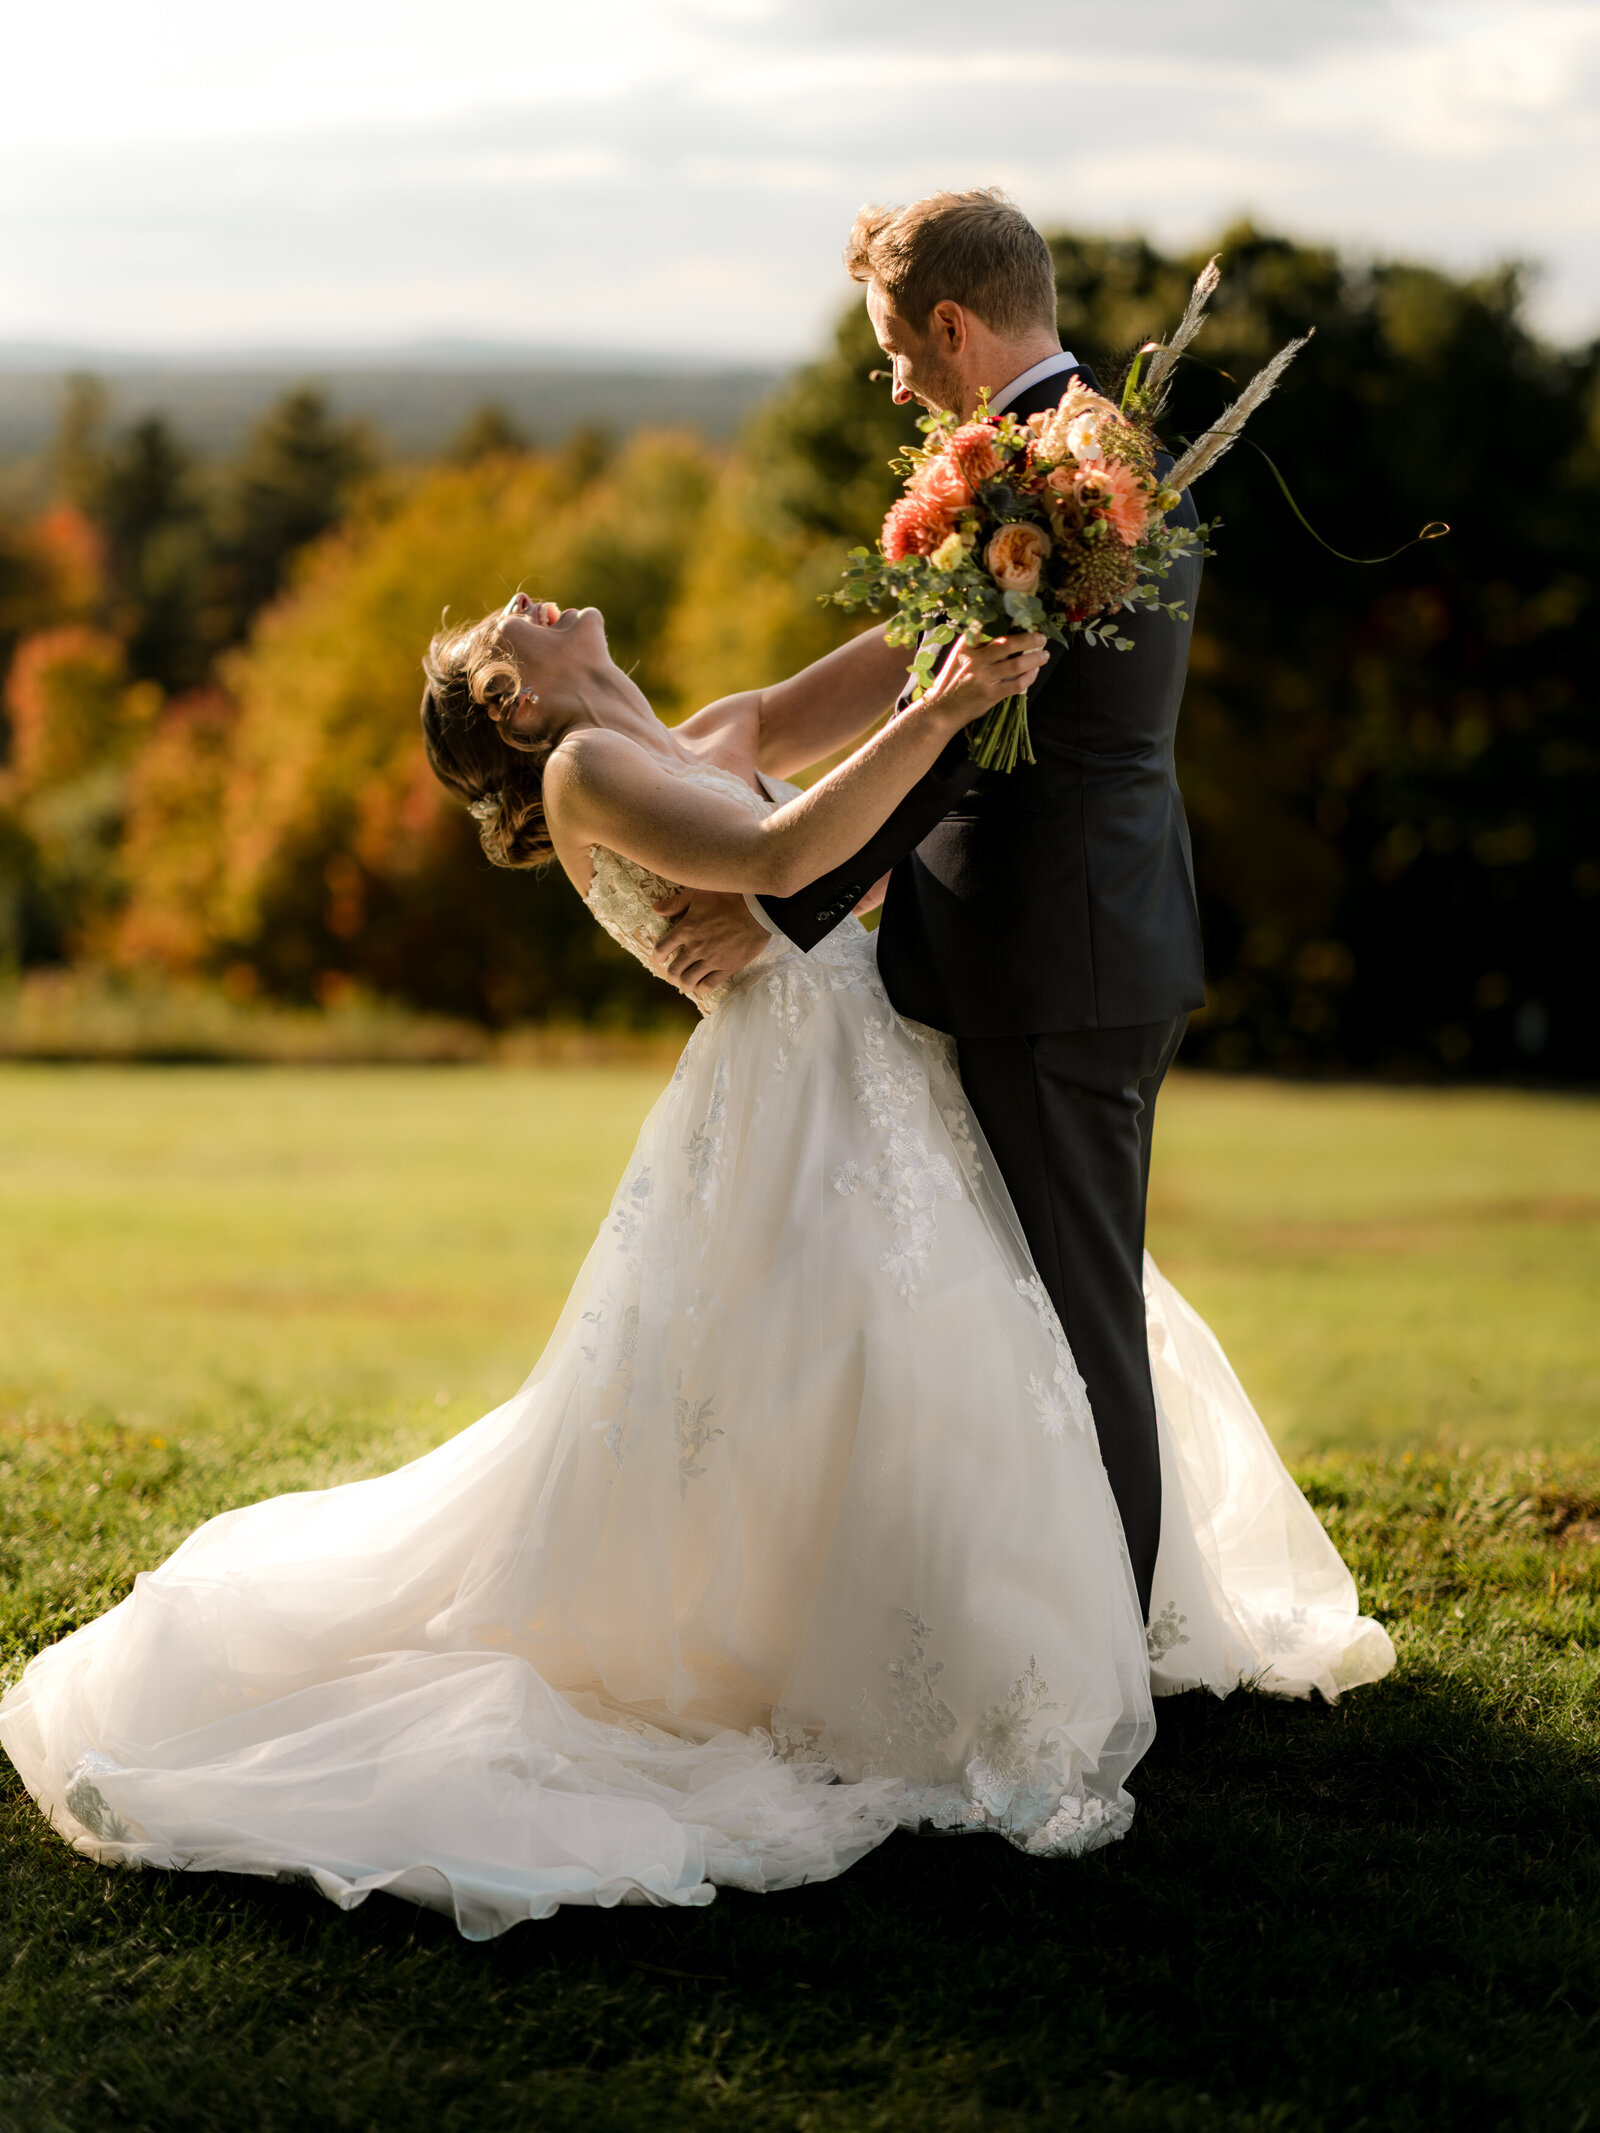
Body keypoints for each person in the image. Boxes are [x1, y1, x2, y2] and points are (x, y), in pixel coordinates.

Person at [0, 586, 1392, 1940]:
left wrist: (983, 576)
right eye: (508, 621)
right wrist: (955, 699)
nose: (536, 598)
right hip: (800, 1098)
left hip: (885, 1061)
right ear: (514, 697)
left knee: (975, 1350)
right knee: (876, 1363)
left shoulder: (705, 728)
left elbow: (853, 679)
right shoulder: (588, 774)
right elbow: (785, 860)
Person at [652, 190, 1204, 1622]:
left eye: (896, 350)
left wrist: (789, 906)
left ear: (955, 325)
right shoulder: (1091, 448)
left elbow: (961, 723)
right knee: (1040, 1307)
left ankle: (1109, 1659)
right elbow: (936, 679)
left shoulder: (1052, 479)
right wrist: (767, 725)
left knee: (1080, 1328)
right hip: (1080, 932)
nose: (891, 380)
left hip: (1054, 955)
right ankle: (1055, 1625)